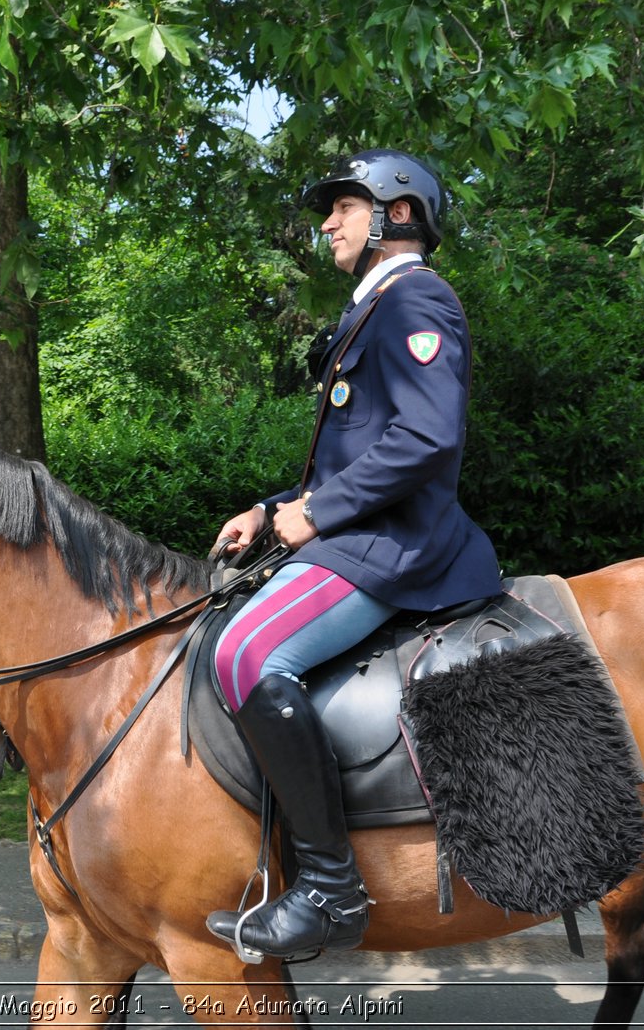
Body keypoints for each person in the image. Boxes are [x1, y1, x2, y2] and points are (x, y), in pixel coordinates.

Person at [205, 149, 502, 960]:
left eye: (343, 205)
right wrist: (271, 513)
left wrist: (319, 511)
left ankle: (330, 891)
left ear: (397, 214)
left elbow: (426, 437)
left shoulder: (416, 297)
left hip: (396, 547)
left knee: (245, 654)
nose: (327, 222)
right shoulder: (374, 308)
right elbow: (357, 454)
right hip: (360, 532)